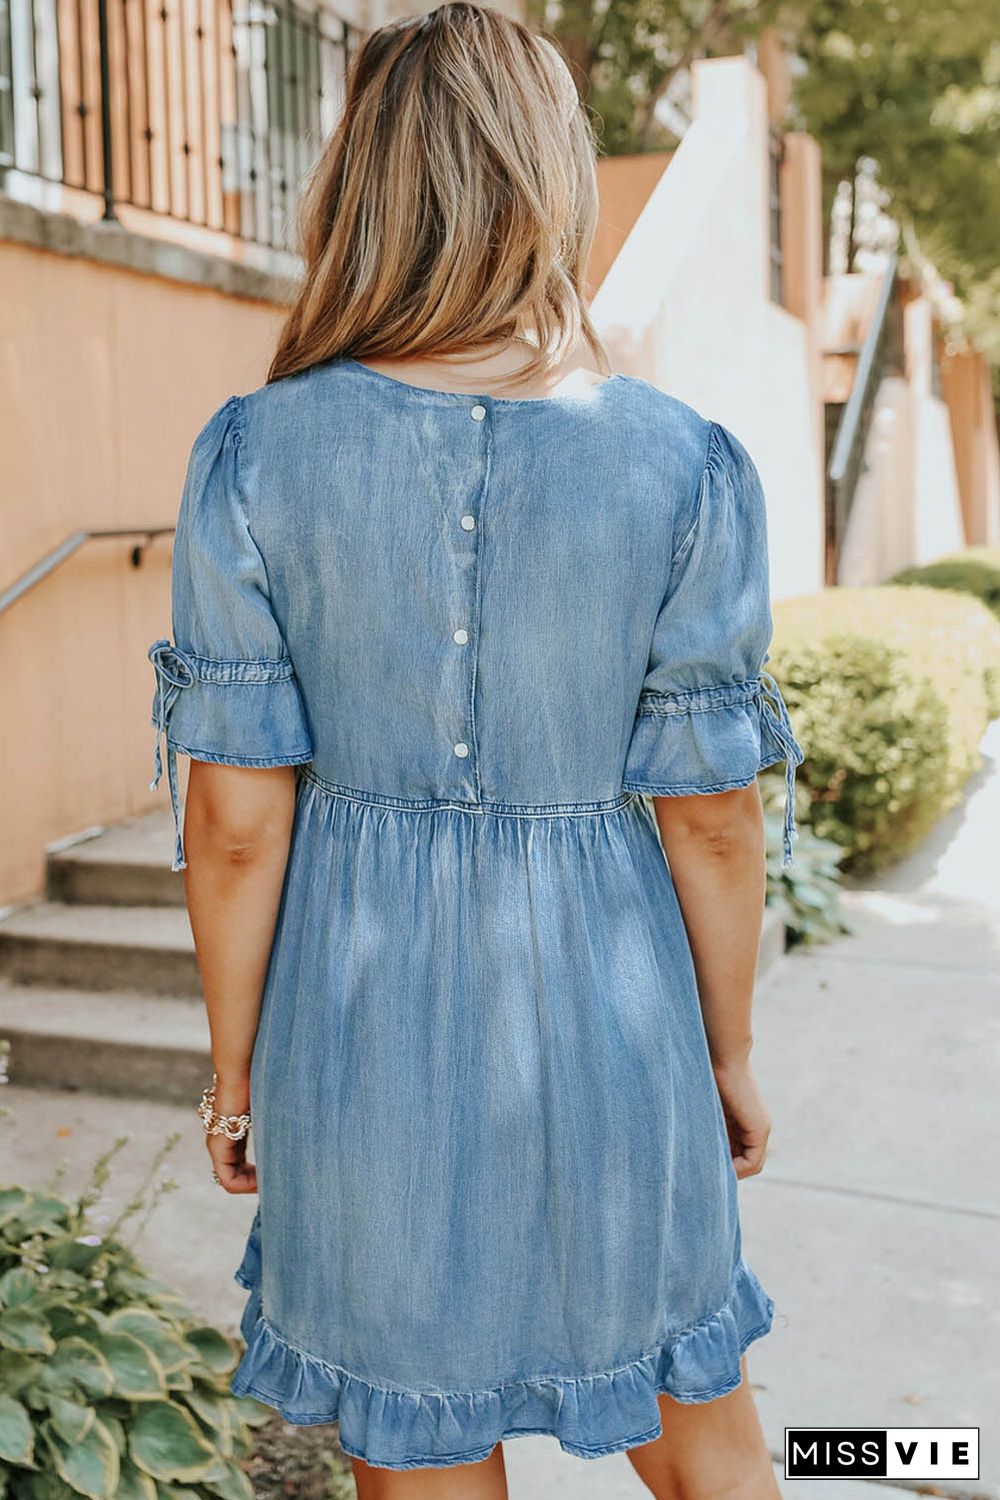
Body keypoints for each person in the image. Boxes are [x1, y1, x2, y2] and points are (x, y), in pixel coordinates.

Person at [146, 5, 805, 1497]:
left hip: (356, 1041)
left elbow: (238, 826)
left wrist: (237, 1073)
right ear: (549, 177)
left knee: (425, 1450)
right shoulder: (682, 460)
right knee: (704, 1433)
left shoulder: (255, 453)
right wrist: (729, 1049)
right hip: (625, 1024)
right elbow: (709, 816)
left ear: (363, 188)